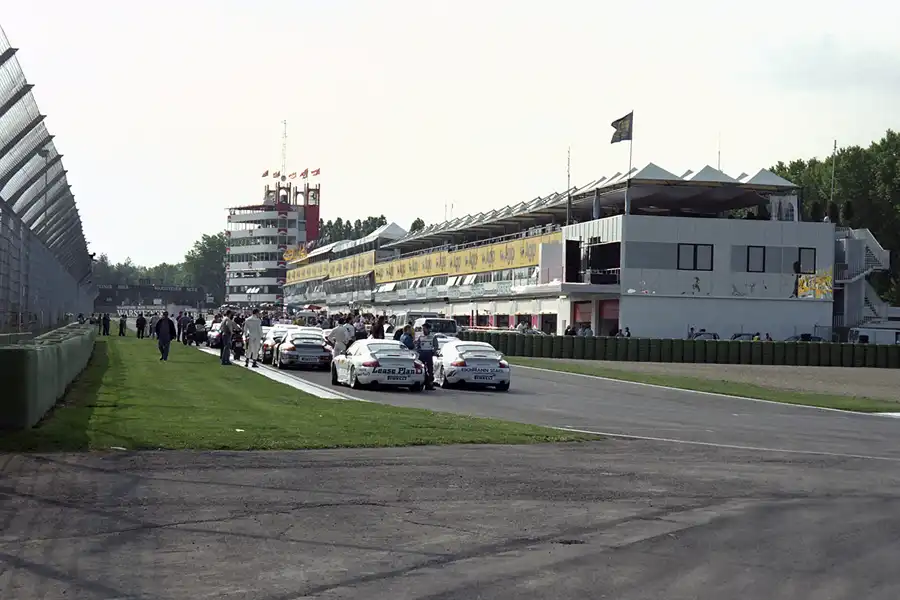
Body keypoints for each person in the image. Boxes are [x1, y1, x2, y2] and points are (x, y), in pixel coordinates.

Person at [414, 322, 436, 389]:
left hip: (429, 354)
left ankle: (429, 385)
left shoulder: (433, 336)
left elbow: (435, 346)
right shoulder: (420, 336)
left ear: (429, 329)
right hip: (422, 354)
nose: (423, 330)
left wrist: (433, 351)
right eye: (423, 328)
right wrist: (419, 352)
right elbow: (417, 345)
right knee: (422, 369)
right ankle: (422, 383)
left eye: (425, 328)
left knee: (430, 370)